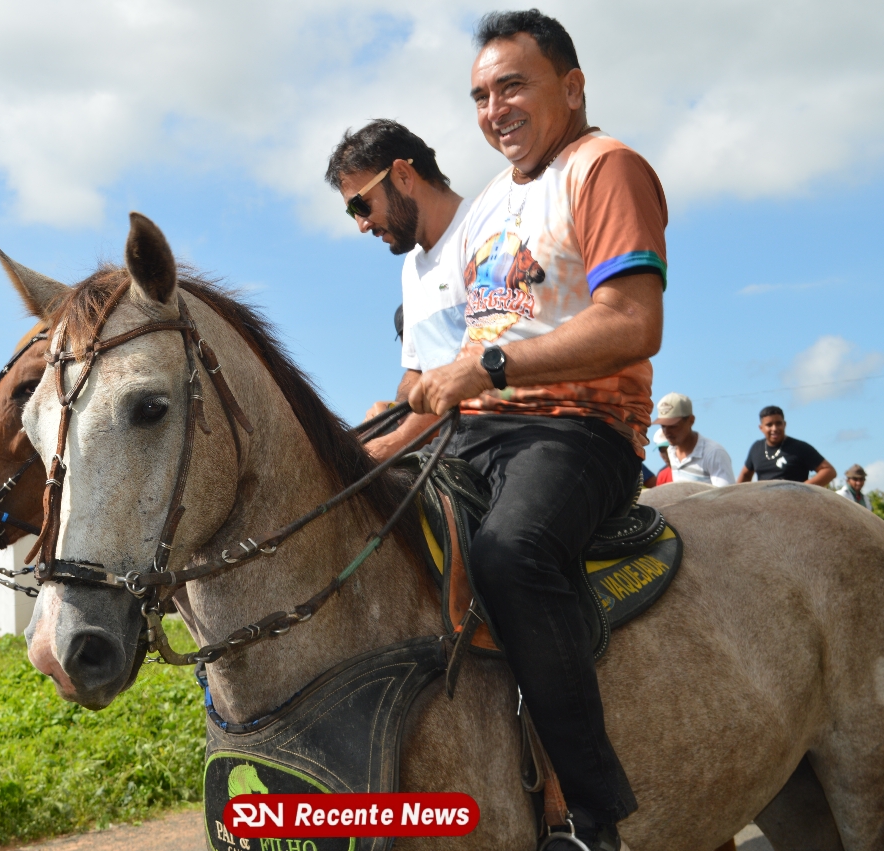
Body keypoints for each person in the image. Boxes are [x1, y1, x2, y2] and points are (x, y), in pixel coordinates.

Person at [360, 11, 667, 848]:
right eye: (479, 96)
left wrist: (489, 369)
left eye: (512, 86)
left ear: (572, 86)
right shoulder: (493, 201)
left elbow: (634, 321)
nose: (494, 109)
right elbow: (473, 343)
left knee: (509, 551)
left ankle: (590, 815)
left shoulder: (606, 168)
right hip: (479, 429)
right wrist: (377, 441)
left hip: (579, 428)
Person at [326, 120, 470, 452]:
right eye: (351, 213)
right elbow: (416, 374)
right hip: (445, 443)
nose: (361, 225)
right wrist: (387, 422)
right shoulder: (411, 267)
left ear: (403, 176)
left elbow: (476, 371)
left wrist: (396, 442)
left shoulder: (486, 232)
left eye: (360, 205)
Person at [737, 405, 835, 485]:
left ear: (784, 424)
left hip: (795, 501)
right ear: (761, 428)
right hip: (764, 501)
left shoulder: (799, 448)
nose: (774, 428)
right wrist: (736, 498)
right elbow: (746, 475)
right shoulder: (756, 448)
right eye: (769, 425)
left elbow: (829, 471)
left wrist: (804, 488)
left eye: (778, 423)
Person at [653, 392, 733, 487]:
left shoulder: (713, 453)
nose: (667, 432)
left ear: (691, 420)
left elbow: (725, 494)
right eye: (663, 426)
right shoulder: (671, 451)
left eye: (673, 426)